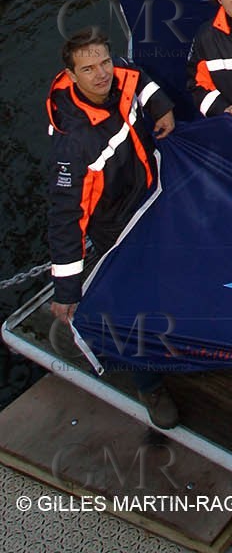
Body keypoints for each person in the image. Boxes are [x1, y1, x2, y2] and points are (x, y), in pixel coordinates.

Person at [47, 28, 179, 429]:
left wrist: (161, 107)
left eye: (104, 61)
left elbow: (138, 76)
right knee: (131, 305)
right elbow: (66, 215)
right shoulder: (75, 145)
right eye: (89, 68)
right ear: (71, 76)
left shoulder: (117, 71)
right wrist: (66, 289)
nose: (102, 73)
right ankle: (149, 384)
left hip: (153, 195)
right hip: (117, 227)